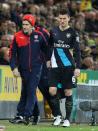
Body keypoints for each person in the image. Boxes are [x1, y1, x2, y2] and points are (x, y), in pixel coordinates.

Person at [9, 14, 49, 125]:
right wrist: (14, 68)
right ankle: (36, 115)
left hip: (37, 68)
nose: (24, 26)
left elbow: (47, 50)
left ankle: (24, 116)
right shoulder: (17, 36)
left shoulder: (39, 35)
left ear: (32, 25)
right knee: (27, 91)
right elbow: (12, 54)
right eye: (23, 24)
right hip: (23, 69)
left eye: (27, 25)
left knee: (30, 90)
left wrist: (48, 61)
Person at [48, 8, 81, 127]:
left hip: (68, 66)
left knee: (67, 92)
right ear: (58, 19)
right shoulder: (53, 31)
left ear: (68, 19)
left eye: (64, 18)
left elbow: (77, 51)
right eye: (60, 18)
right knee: (52, 91)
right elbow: (49, 46)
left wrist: (78, 67)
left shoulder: (73, 33)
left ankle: (67, 119)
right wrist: (48, 60)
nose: (62, 21)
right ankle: (57, 116)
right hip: (55, 66)